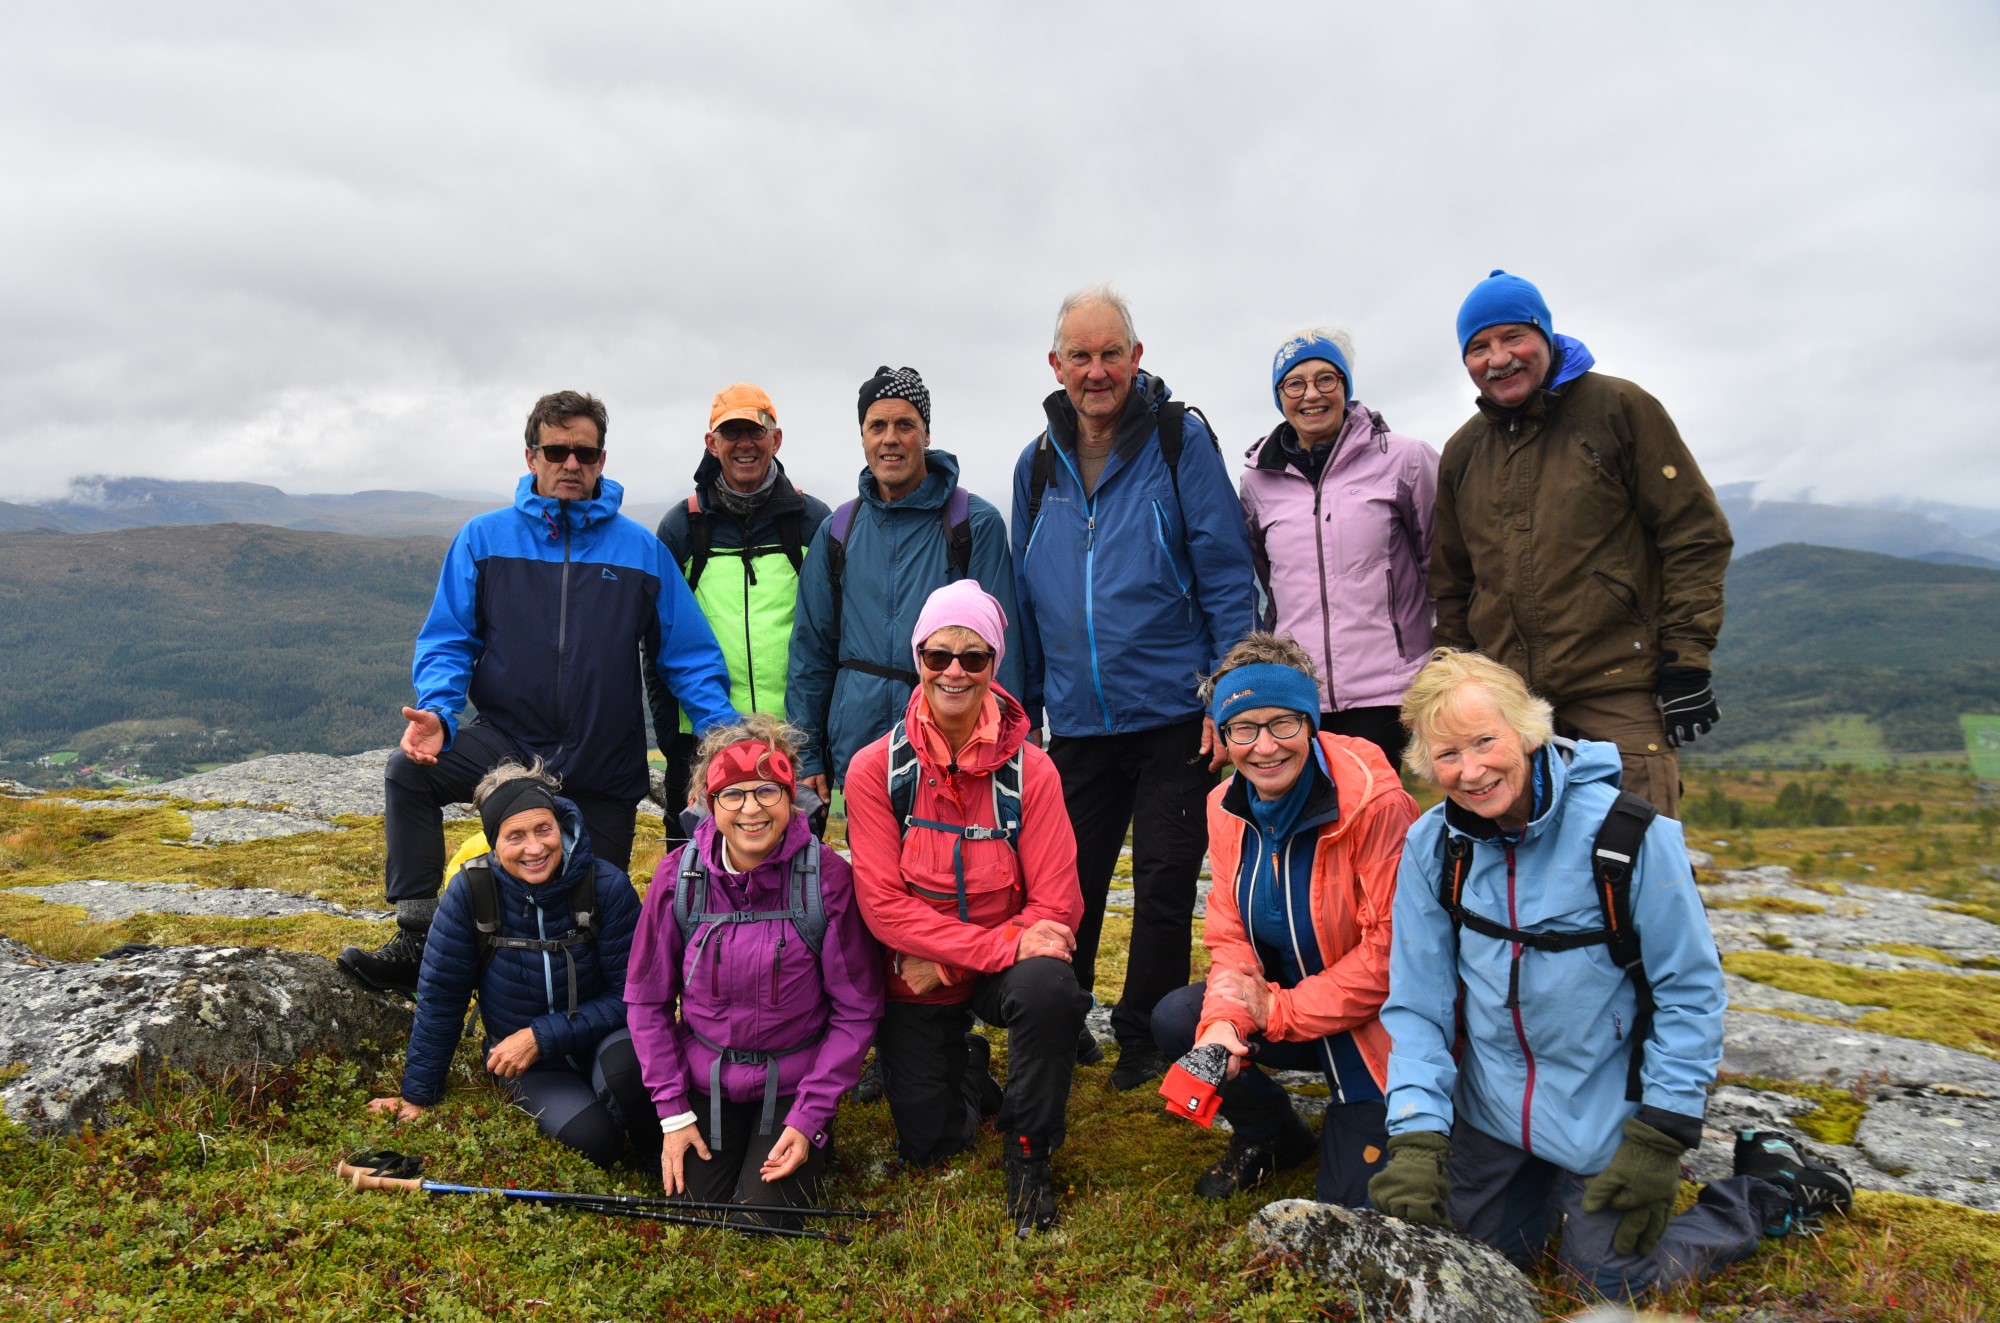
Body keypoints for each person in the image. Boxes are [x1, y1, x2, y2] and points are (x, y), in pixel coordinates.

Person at [1368, 649, 1849, 1301]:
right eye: (1447, 753)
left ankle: (1769, 1188)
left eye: (1485, 741)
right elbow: (1418, 1005)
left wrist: (1661, 1135)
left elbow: (1690, 995)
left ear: (1527, 731)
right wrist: (1417, 1133)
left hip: (1608, 1113)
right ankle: (1539, 1189)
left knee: (1605, 1286)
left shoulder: (1629, 837)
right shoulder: (1435, 846)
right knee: (1475, 1263)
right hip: (1493, 1108)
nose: (1471, 770)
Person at [341, 390, 738, 997]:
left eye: (585, 452)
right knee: (409, 772)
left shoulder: (639, 550)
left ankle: (597, 1023)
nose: (571, 464)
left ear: (602, 460)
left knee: (593, 918)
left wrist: (725, 737)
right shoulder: (483, 539)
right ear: (531, 456)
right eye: (556, 451)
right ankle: (419, 939)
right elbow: (449, 638)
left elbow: (687, 655)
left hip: (603, 761)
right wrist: (441, 713)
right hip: (507, 745)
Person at [1011, 284, 1259, 1088]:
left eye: (1110, 353)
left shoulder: (1180, 441)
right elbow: (1025, 594)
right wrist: (1026, 711)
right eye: (1080, 355)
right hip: (1078, 721)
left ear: (1136, 357)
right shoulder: (1035, 463)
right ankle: (1063, 1017)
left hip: (1174, 710)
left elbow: (1226, 572)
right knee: (1066, 883)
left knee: (1162, 880)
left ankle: (1144, 1034)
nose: (1096, 370)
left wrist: (1228, 695)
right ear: (1056, 365)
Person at [1432, 271, 1733, 817]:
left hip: (1617, 689)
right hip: (1509, 710)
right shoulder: (1464, 451)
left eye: (1513, 337)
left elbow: (1694, 536)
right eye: (1479, 347)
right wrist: (1454, 689)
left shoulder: (1619, 409)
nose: (1498, 359)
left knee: (1636, 857)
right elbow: (1453, 585)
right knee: (1519, 864)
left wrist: (1687, 659)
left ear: (1544, 335)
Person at [844, 581, 1090, 1237]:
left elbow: (1058, 905)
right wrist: (994, 948)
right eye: (938, 654)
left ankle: (1029, 1150)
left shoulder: (1033, 772)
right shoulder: (874, 770)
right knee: (930, 1144)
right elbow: (883, 908)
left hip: (957, 968)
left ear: (993, 664)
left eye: (973, 657)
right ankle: (970, 1071)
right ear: (918, 658)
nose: (954, 671)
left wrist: (956, 963)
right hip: (917, 976)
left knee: (1050, 987)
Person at [1152, 633, 1418, 1205]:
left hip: (1379, 1024)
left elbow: (1393, 956)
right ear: (1223, 736)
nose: (1265, 747)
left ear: (1310, 723)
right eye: (1243, 729)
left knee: (1353, 1206)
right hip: (1290, 1005)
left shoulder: (1374, 803)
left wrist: (1278, 1012)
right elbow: (1229, 934)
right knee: (1180, 1019)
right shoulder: (1225, 806)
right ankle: (1272, 1134)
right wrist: (1225, 1022)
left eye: (1283, 724)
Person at [624, 717, 882, 1220]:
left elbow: (857, 1010)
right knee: (694, 1211)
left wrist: (809, 1117)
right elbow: (646, 1000)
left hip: (793, 1084)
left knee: (760, 1218)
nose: (751, 809)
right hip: (705, 1081)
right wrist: (673, 1113)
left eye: (767, 791)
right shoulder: (679, 878)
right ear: (710, 802)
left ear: (790, 796)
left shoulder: (826, 880)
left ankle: (812, 1135)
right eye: (733, 795)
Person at [365, 761, 654, 1171]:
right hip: (527, 1064)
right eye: (515, 836)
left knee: (629, 1078)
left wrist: (542, 1035)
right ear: (493, 841)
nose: (534, 849)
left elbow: (634, 995)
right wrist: (417, 1095)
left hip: (606, 1040)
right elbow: (442, 997)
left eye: (543, 829)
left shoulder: (604, 886)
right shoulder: (471, 893)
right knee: (595, 1142)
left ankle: (659, 1159)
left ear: (559, 825)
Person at [786, 366, 1023, 802]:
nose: (890, 439)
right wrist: (808, 756)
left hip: (955, 752)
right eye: (877, 426)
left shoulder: (974, 524)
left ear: (926, 434)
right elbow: (810, 653)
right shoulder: (838, 530)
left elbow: (1001, 651)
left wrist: (1005, 747)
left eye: (905, 425)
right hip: (859, 753)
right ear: (862, 436)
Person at [1239, 329, 1438, 769]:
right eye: (1295, 383)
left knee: (1375, 804)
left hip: (1389, 689)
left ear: (1346, 386)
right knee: (1308, 809)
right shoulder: (1257, 481)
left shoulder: (1405, 459)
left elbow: (1440, 566)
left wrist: (1441, 663)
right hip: (1298, 691)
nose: (1311, 394)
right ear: (1280, 396)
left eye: (1326, 379)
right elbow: (1265, 579)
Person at [645, 383, 832, 845]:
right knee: (693, 866)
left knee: (794, 864)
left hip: (792, 738)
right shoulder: (682, 527)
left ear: (776, 439)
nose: (744, 443)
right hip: (701, 740)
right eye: (731, 433)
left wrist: (817, 743)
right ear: (712, 444)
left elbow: (832, 636)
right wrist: (673, 743)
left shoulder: (811, 521)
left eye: (756, 431)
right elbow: (658, 643)